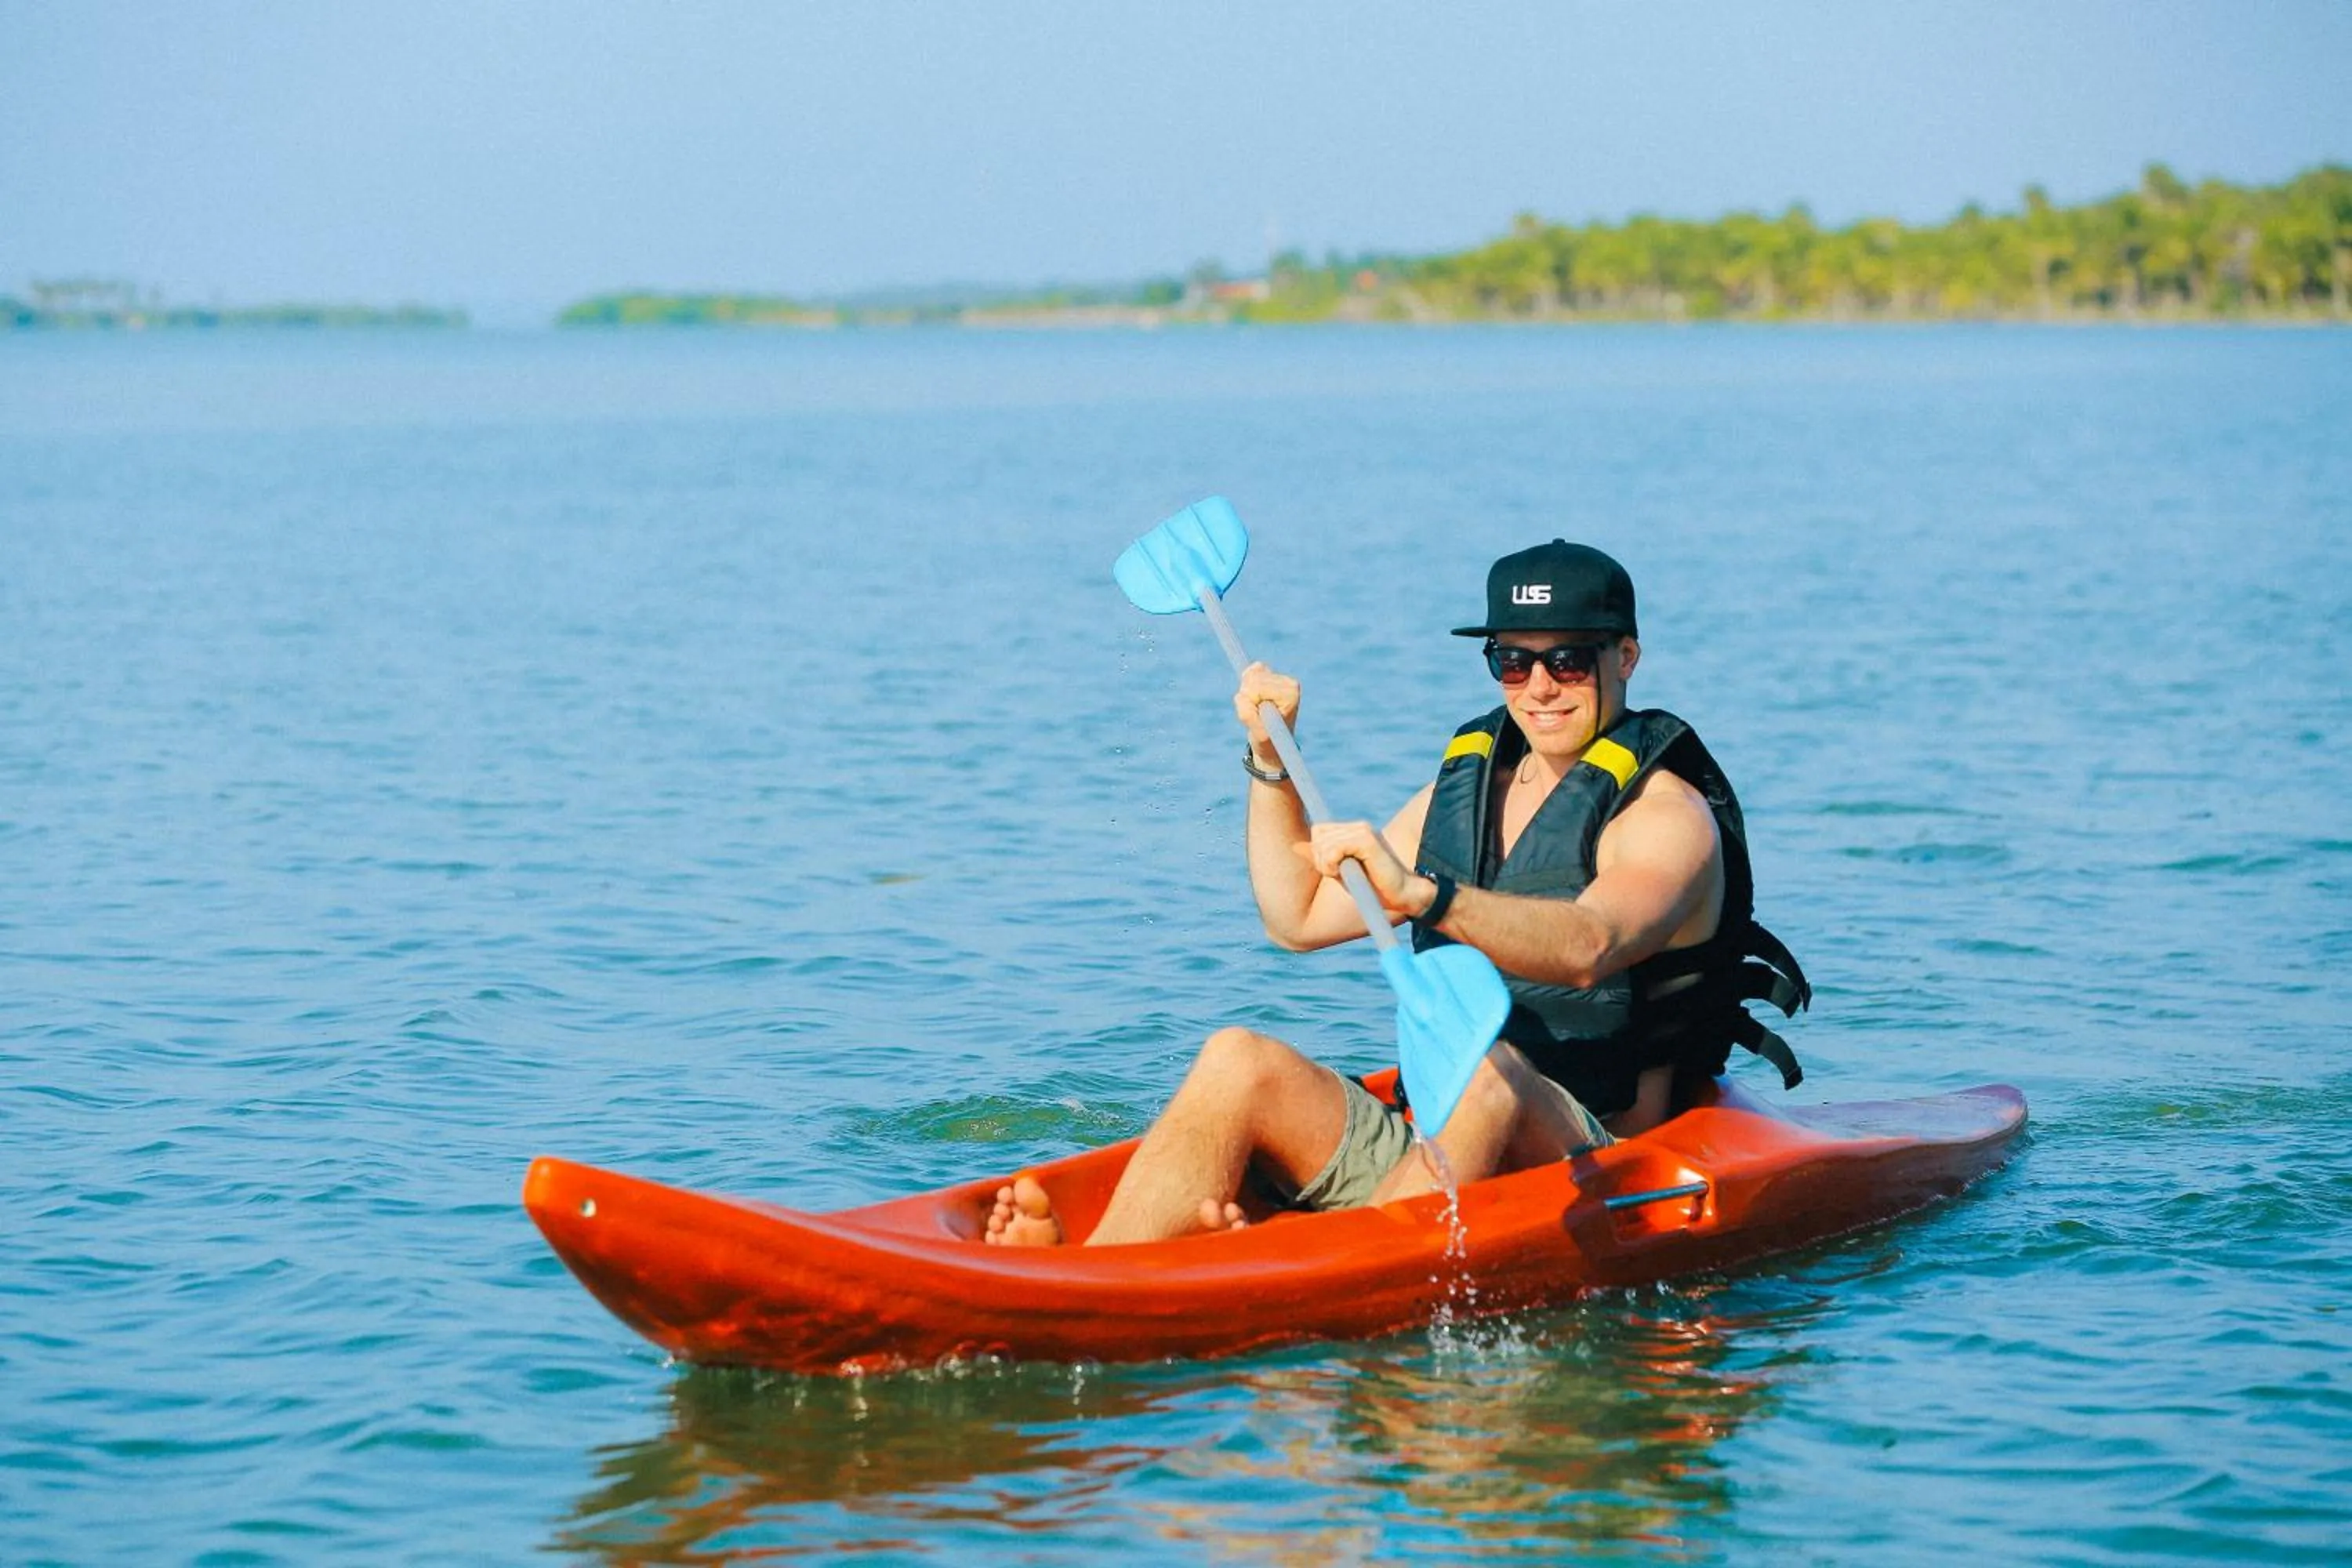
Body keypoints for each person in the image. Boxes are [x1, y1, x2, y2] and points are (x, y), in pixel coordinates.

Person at [986, 540, 1809, 1247]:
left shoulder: (1667, 816)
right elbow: (1297, 917)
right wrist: (1272, 760)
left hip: (1594, 1163)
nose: (1540, 687)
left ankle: (1310, 1270)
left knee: (1491, 1071)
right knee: (1240, 1058)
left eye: (1567, 658)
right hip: (1440, 1143)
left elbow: (1592, 944)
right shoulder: (1472, 783)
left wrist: (1424, 895)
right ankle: (1102, 1265)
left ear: (1624, 656)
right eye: (1513, 661)